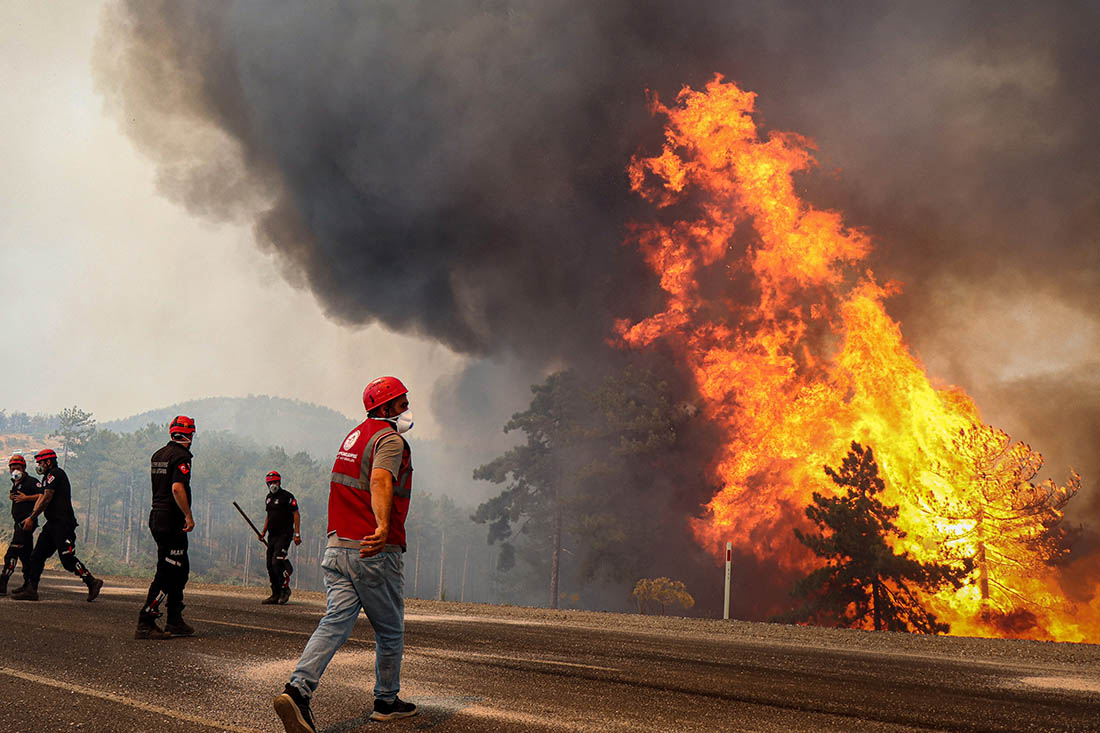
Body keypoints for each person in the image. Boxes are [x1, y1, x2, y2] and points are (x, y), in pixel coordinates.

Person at [274, 376, 417, 732]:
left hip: (337, 547)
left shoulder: (354, 437)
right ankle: (386, 701)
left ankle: (297, 691)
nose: (407, 410)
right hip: (371, 550)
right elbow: (380, 480)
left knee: (335, 622)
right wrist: (382, 526)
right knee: (390, 630)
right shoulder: (389, 439)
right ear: (385, 408)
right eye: (402, 403)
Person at [12, 449, 103, 602]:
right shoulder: (47, 478)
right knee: (37, 556)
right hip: (52, 524)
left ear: (48, 462)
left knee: (67, 558)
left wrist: (32, 517)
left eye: (41, 462)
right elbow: (41, 497)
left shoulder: (55, 474)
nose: (39, 465)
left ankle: (92, 582)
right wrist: (31, 517)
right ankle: (31, 590)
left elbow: (46, 498)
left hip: (63, 524)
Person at [135, 415, 197, 640]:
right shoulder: (181, 456)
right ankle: (146, 620)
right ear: (189, 435)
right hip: (171, 519)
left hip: (157, 516)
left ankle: (175, 619)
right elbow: (177, 488)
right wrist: (188, 515)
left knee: (180, 568)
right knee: (169, 571)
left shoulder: (158, 454)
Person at [1, 454, 42, 596]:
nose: (15, 470)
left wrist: (26, 498)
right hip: (18, 524)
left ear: (24, 468)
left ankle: (3, 581)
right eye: (12, 468)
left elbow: (42, 495)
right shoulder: (16, 482)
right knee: (26, 555)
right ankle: (28, 585)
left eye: (17, 468)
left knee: (12, 553)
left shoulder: (32, 482)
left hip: (27, 523)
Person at [260, 470, 302, 605]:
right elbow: (268, 516)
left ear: (279, 482)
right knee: (269, 565)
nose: (273, 485)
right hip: (272, 535)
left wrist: (297, 534)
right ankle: (275, 594)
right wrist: (263, 532)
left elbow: (296, 514)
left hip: (285, 535)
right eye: (270, 483)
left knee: (276, 562)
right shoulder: (268, 498)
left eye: (275, 482)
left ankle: (285, 590)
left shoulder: (287, 496)